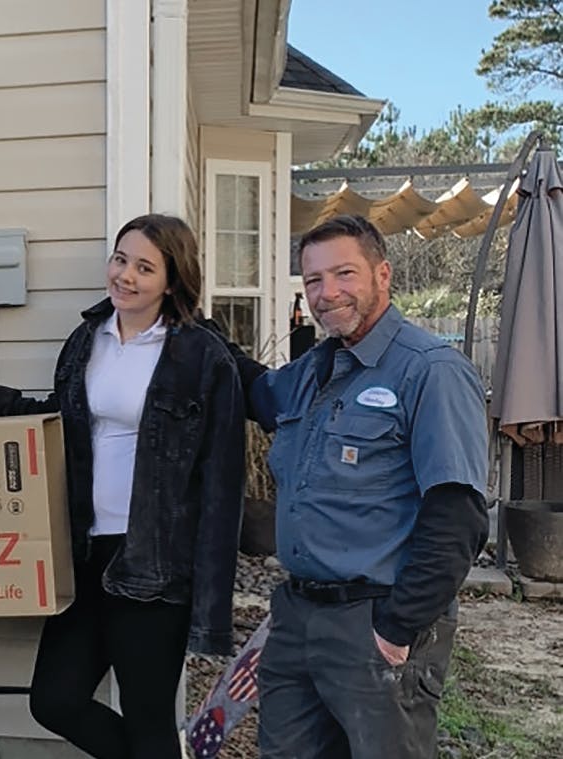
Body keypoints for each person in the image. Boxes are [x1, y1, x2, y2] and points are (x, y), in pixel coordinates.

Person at [0, 213, 245, 759]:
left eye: (145, 267)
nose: (125, 276)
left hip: (154, 563)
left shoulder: (199, 355)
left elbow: (222, 484)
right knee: (54, 699)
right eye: (120, 259)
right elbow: (62, 420)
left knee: (148, 718)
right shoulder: (89, 339)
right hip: (85, 551)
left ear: (172, 281)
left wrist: (210, 605)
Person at [224, 215, 489, 759]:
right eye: (313, 280)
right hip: (298, 617)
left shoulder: (429, 371)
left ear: (383, 274)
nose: (327, 293)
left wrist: (397, 628)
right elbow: (256, 394)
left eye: (344, 273)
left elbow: (458, 513)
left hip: (375, 621)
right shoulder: (313, 370)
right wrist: (196, 330)